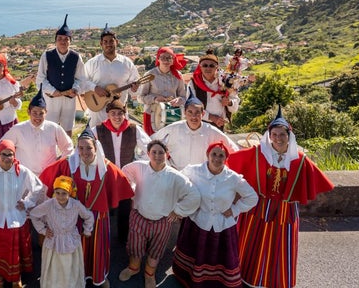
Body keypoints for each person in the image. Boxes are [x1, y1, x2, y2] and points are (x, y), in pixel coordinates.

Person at [226, 107, 334, 288]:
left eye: (282, 134)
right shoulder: (258, 154)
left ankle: (277, 281)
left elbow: (318, 180)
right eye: (274, 134)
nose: (278, 138)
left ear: (289, 136)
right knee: (252, 243)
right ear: (269, 135)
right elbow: (229, 159)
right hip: (257, 208)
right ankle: (248, 278)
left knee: (281, 247)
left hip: (285, 210)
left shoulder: (299, 160)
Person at [39, 129, 135, 288]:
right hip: (73, 216)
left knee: (99, 248)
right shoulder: (69, 163)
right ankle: (77, 278)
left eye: (89, 148)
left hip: (99, 217)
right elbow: (47, 175)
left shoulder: (106, 167)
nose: (84, 152)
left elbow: (123, 183)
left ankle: (100, 277)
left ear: (96, 148)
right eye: (81, 148)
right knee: (76, 248)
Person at [172, 142, 258, 288]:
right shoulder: (193, 171)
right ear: (207, 155)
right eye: (214, 154)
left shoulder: (233, 178)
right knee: (193, 254)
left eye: (221, 155)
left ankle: (218, 282)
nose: (217, 158)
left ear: (226, 158)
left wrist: (235, 210)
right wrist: (183, 207)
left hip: (223, 224)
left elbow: (252, 197)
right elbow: (177, 185)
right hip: (197, 221)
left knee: (222, 258)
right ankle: (188, 277)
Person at [120, 140, 200, 288]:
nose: (157, 155)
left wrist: (178, 211)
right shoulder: (138, 167)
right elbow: (124, 172)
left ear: (167, 154)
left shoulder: (175, 176)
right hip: (139, 216)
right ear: (148, 154)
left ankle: (149, 274)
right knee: (135, 246)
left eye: (161, 152)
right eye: (154, 152)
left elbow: (194, 195)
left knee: (156, 250)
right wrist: (132, 190)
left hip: (162, 221)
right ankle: (134, 268)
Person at [0, 140, 45, 288]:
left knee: (15, 251)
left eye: (10, 154)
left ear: (14, 155)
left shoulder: (22, 171)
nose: (6, 157)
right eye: (3, 154)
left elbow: (37, 187)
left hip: (16, 217)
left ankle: (16, 277)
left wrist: (27, 202)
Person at [93, 98, 151, 245]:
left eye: (120, 113)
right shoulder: (98, 129)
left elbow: (148, 147)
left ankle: (123, 239)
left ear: (124, 114)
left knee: (125, 207)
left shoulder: (133, 129)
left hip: (126, 176)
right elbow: (85, 146)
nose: (117, 117)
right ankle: (102, 237)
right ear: (108, 114)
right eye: (113, 113)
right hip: (107, 174)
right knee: (104, 207)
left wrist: (139, 164)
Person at [29, 175, 95, 288]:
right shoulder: (49, 204)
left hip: (71, 240)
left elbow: (88, 216)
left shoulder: (75, 205)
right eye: (57, 193)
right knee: (54, 266)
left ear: (69, 192)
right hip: (53, 240)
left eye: (64, 193)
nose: (60, 197)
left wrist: (87, 230)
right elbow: (34, 214)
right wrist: (43, 230)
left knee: (70, 265)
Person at [151, 91, 239, 171]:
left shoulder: (211, 131)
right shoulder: (173, 129)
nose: (194, 116)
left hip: (202, 177)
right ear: (185, 113)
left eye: (197, 113)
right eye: (190, 112)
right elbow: (150, 143)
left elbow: (233, 149)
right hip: (177, 175)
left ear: (203, 114)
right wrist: (166, 166)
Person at [35, 14, 88, 135]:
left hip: (69, 99)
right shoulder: (46, 55)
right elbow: (40, 79)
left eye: (66, 39)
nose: (63, 42)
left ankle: (67, 153)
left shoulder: (76, 57)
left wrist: (75, 89)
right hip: (51, 99)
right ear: (55, 40)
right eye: (60, 39)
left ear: (70, 41)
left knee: (67, 129)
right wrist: (53, 91)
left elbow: (81, 78)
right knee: (49, 129)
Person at [2, 89, 74, 177]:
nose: (38, 117)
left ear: (46, 113)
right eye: (34, 113)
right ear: (28, 112)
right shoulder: (18, 129)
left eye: (41, 113)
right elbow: (2, 145)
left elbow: (68, 147)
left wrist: (59, 164)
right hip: (24, 176)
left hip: (49, 175)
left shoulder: (54, 128)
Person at [83, 24, 141, 128]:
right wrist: (95, 88)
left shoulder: (127, 63)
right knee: (97, 140)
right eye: (105, 42)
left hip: (120, 113)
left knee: (121, 141)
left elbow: (135, 85)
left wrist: (135, 88)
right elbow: (82, 81)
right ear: (101, 44)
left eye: (111, 41)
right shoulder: (92, 63)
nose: (108, 44)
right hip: (98, 113)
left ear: (116, 42)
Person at [138, 46, 188, 135]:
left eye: (169, 58)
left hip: (172, 116)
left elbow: (184, 97)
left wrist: (179, 100)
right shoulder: (149, 75)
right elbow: (140, 97)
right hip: (152, 116)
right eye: (163, 57)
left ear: (173, 60)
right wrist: (155, 98)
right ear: (158, 59)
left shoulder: (178, 76)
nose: (166, 60)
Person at [188, 49, 240, 130]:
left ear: (217, 67)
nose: (208, 68)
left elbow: (235, 106)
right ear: (200, 67)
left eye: (211, 65)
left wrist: (229, 103)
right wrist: (211, 117)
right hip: (199, 124)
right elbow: (190, 106)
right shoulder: (194, 84)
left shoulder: (226, 81)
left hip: (219, 124)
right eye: (205, 65)